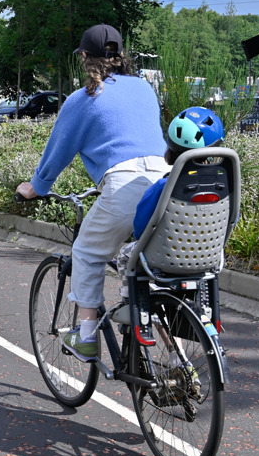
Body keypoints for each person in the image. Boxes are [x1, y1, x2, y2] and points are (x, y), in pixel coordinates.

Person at [16, 24, 168, 361]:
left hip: (123, 189)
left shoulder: (83, 98)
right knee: (145, 269)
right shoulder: (144, 88)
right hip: (163, 185)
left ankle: (85, 337)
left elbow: (57, 153)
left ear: (85, 57)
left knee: (86, 254)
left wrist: (34, 188)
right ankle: (176, 358)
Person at [118, 107, 227, 273]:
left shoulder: (164, 187)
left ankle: (130, 298)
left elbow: (141, 224)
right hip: (209, 256)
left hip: (165, 254)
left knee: (125, 256)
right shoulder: (223, 190)